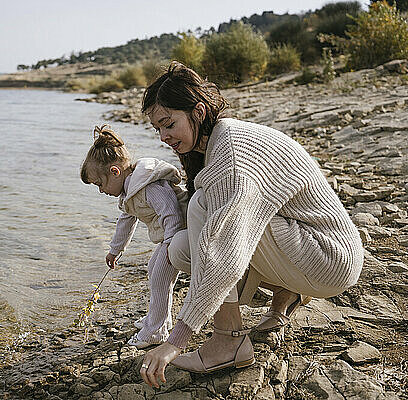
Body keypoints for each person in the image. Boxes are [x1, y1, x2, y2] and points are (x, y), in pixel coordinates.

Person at [137, 62, 364, 388]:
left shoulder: (230, 148)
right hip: (312, 252)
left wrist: (176, 339)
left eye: (169, 124)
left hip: (328, 257)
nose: (163, 137)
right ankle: (286, 295)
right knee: (183, 247)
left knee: (206, 210)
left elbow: (225, 247)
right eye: (157, 129)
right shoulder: (218, 140)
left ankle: (228, 341)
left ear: (198, 111)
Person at [81, 124, 188, 348]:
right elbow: (126, 221)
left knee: (160, 277)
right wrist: (115, 250)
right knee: (153, 270)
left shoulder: (149, 184)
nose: (101, 191)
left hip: (183, 232)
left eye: (100, 184)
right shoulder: (130, 191)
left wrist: (170, 244)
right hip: (172, 236)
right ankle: (160, 320)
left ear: (114, 171)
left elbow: (171, 212)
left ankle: (155, 332)